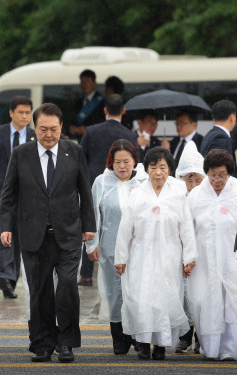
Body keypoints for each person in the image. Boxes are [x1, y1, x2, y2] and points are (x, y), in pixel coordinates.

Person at [0, 103, 96, 363]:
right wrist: (5, 227)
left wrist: (89, 226)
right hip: (34, 234)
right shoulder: (21, 154)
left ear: (61, 127)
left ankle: (66, 343)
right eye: (43, 129)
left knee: (66, 287)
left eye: (54, 129)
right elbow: (9, 195)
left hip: (68, 233)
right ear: (34, 127)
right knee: (40, 290)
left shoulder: (74, 152)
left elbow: (84, 192)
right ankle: (42, 343)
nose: (49, 134)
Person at [115, 147, 197, 360]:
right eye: (153, 167)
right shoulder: (138, 194)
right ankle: (143, 342)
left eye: (163, 167)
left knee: (166, 299)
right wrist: (121, 257)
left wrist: (189, 257)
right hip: (140, 256)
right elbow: (125, 229)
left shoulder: (179, 193)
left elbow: (186, 227)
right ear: (146, 169)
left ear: (169, 169)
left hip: (170, 255)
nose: (158, 172)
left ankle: (160, 345)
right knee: (142, 299)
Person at [86, 139, 147, 354]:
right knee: (113, 293)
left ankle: (139, 337)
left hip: (139, 248)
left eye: (126, 161)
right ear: (110, 162)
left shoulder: (144, 182)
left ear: (134, 162)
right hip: (109, 246)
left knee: (137, 292)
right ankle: (119, 337)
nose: (122, 166)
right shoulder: (101, 182)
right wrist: (91, 244)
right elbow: (93, 214)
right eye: (117, 162)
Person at [79, 94, 139, 286]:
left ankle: (87, 274)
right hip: (121, 186)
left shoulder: (91, 131)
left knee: (91, 224)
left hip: (93, 186)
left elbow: (81, 159)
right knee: (119, 225)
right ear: (123, 111)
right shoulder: (129, 135)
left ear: (105, 110)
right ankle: (123, 266)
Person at [0, 95, 35, 299]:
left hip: (26, 196)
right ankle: (6, 275)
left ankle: (9, 278)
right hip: (0, 194)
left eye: (28, 113)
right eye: (20, 112)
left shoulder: (34, 135)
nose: (24, 116)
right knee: (4, 232)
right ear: (11, 113)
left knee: (18, 237)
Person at [187, 149, 237, 361]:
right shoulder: (196, 195)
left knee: (231, 302)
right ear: (206, 173)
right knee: (204, 301)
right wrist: (188, 257)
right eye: (213, 175)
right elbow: (187, 229)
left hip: (231, 258)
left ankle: (231, 347)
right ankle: (210, 348)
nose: (217, 180)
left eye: (222, 175)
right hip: (204, 260)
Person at [174, 140, 205, 354]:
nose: (193, 184)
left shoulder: (207, 198)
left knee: (202, 296)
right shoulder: (176, 198)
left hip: (203, 254)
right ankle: (185, 335)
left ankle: (201, 336)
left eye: (197, 179)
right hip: (180, 254)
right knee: (184, 296)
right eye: (189, 179)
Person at [68, 69, 106, 141]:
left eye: (87, 81)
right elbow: (72, 120)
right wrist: (72, 127)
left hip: (96, 141)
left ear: (94, 83)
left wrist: (88, 129)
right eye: (82, 81)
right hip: (80, 142)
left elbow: (104, 124)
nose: (84, 84)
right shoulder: (77, 103)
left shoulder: (103, 102)